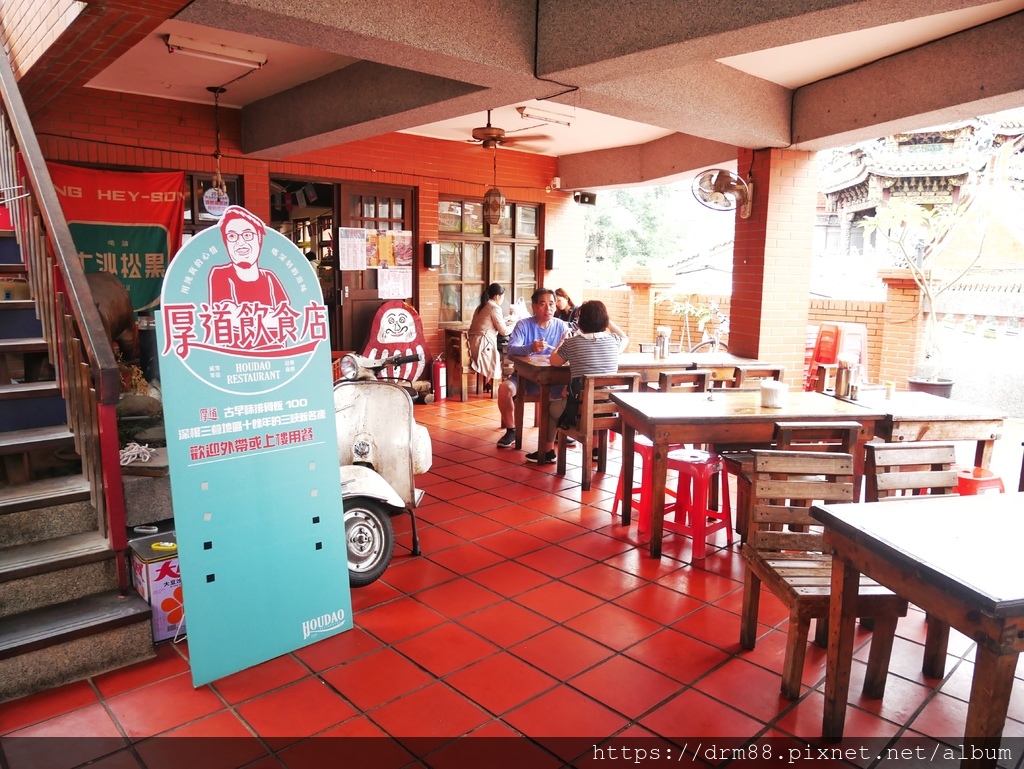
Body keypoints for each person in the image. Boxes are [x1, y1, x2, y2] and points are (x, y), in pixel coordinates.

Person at [528, 300, 623, 464]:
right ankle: (596, 450)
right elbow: (624, 336)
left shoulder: (572, 343)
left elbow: (554, 362)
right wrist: (606, 321)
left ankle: (547, 451)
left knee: (550, 407)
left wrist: (561, 341)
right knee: (593, 400)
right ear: (605, 321)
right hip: (609, 409)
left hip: (579, 412)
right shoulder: (614, 341)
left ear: (580, 321)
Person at [495, 288, 570, 449]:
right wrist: (531, 347)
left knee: (571, 389)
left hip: (553, 380)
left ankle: (559, 430)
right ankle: (511, 430)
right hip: (525, 378)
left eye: (551, 304)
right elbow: (512, 348)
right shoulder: (524, 325)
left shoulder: (562, 326)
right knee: (504, 389)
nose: (548, 308)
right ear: (534, 307)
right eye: (542, 304)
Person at [208, 206, 288, 308]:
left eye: (247, 235)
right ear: (226, 243)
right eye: (232, 236)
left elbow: (285, 311)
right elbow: (227, 314)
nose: (240, 243)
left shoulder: (269, 276)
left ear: (259, 240)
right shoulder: (220, 274)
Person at [468, 283, 514, 392]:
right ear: (497, 296)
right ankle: (494, 383)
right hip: (482, 348)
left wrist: (506, 322)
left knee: (500, 349)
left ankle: (489, 382)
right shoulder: (494, 307)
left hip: (473, 344)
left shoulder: (481, 306)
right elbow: (504, 331)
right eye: (503, 296)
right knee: (506, 351)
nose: (503, 299)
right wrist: (516, 323)